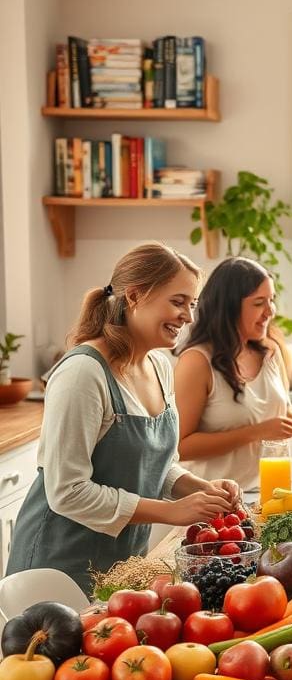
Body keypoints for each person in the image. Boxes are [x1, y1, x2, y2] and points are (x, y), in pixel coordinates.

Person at [6, 244, 241, 594]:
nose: (188, 317)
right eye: (178, 302)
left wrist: (201, 489)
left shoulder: (160, 367)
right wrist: (171, 512)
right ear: (135, 296)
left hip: (120, 568)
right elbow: (67, 492)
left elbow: (153, 463)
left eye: (191, 305)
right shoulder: (83, 372)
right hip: (57, 568)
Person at [174, 257, 292, 491]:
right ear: (229, 307)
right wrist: (256, 433)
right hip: (213, 499)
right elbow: (180, 447)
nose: (270, 311)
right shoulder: (196, 362)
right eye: (258, 303)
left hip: (269, 493)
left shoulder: (271, 351)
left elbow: (280, 408)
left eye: (271, 301)